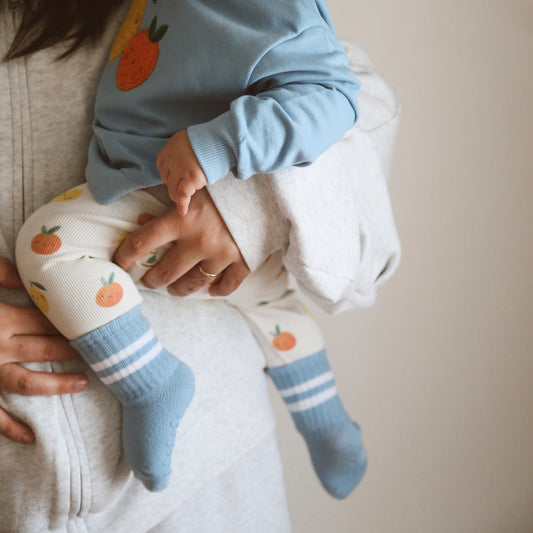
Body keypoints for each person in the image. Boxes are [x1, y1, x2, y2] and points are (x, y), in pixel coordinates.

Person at [0, 0, 400, 531]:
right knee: (274, 307)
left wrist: (244, 200)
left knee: (50, 245)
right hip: (18, 498)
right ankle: (325, 419)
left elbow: (346, 99)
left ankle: (152, 382)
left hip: (209, 479)